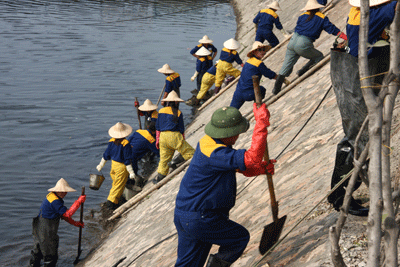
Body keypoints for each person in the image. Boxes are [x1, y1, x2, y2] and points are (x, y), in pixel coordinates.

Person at [174, 104, 275, 267]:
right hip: (201, 217)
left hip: (185, 213)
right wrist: (261, 124)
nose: (237, 136)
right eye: (236, 132)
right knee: (238, 238)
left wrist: (259, 169)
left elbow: (237, 166)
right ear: (228, 133)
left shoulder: (207, 143)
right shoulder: (215, 152)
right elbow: (251, 158)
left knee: (189, 263)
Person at [328, 0, 397, 216]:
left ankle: (342, 194)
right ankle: (342, 196)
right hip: (358, 77)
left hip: (358, 72)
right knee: (360, 136)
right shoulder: (379, 12)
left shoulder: (358, 12)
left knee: (358, 134)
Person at [272, 0, 347, 95]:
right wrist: (344, 36)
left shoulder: (302, 16)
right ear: (319, 7)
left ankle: (276, 89)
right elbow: (332, 29)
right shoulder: (322, 18)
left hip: (292, 41)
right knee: (319, 56)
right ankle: (303, 70)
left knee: (286, 66)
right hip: (303, 42)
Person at [30, 178, 86, 267]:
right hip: (45, 230)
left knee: (38, 250)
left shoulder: (52, 196)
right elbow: (68, 214)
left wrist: (75, 223)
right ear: (57, 190)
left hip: (39, 227)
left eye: (65, 191)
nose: (64, 193)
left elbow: (63, 216)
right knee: (50, 255)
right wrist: (78, 202)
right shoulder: (55, 201)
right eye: (62, 191)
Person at [230, 41, 289, 110]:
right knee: (262, 90)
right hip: (249, 93)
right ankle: (258, 106)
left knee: (232, 110)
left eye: (264, 49)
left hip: (238, 92)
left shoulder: (248, 62)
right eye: (260, 50)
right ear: (254, 52)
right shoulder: (258, 63)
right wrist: (283, 80)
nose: (263, 51)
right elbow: (270, 74)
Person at [154, 91, 195, 184]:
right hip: (174, 135)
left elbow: (158, 127)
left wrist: (157, 140)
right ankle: (175, 162)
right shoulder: (178, 113)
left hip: (163, 137)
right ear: (176, 102)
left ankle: (159, 179)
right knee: (190, 152)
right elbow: (181, 129)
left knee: (164, 159)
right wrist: (182, 140)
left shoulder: (160, 111)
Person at [96, 122, 137, 210]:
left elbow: (106, 154)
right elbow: (127, 160)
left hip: (113, 165)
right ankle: (111, 203)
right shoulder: (125, 144)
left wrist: (101, 165)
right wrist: (131, 172)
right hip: (121, 167)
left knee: (115, 183)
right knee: (118, 185)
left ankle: (115, 200)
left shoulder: (111, 141)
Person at [127, 121, 160, 190]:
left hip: (126, 151)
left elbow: (129, 140)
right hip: (133, 157)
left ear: (148, 127)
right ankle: (130, 187)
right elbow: (158, 152)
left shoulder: (139, 131)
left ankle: (127, 186)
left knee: (127, 171)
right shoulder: (150, 140)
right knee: (133, 171)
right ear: (155, 131)